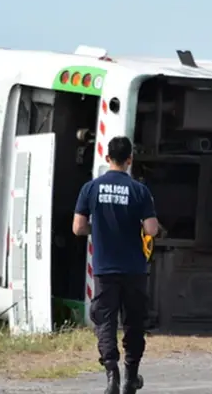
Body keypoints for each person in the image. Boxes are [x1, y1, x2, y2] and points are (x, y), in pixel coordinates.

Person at [73, 136, 160, 394]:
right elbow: (152, 229)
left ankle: (111, 374)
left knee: (106, 320)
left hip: (104, 269)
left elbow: (78, 228)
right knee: (133, 322)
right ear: (129, 160)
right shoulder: (139, 190)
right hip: (133, 269)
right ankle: (130, 377)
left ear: (107, 158)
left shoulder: (90, 188)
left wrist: (97, 228)